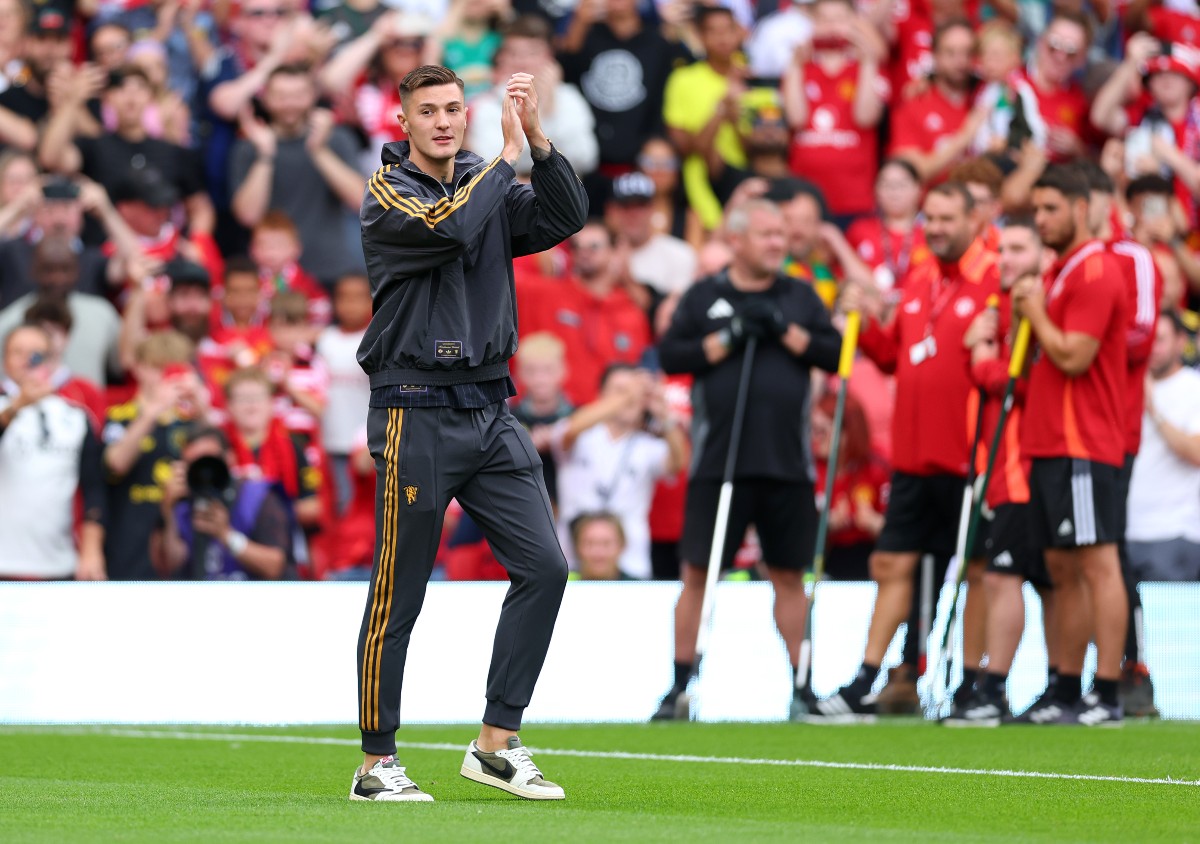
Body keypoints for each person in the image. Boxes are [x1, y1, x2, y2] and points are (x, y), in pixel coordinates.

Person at [351, 64, 587, 801]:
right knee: (402, 591)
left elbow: (563, 218)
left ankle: (495, 741)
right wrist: (507, 159)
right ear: (404, 124)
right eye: (429, 111)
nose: (445, 121)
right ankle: (374, 764)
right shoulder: (390, 194)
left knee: (545, 566)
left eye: (455, 108)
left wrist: (540, 143)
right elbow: (449, 226)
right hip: (413, 409)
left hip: (489, 408)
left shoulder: (489, 184)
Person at [810, 182, 1000, 720]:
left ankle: (974, 683)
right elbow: (896, 355)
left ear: (975, 217)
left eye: (946, 218)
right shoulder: (919, 278)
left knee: (975, 571)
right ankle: (868, 678)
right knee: (891, 561)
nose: (935, 228)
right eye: (929, 219)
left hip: (969, 459)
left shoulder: (993, 280)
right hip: (914, 458)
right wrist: (863, 323)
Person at [654, 198, 842, 721]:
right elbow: (672, 356)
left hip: (787, 463)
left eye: (781, 234)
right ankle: (678, 687)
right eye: (766, 234)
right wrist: (730, 336)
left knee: (788, 575)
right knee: (699, 574)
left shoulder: (800, 296)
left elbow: (833, 353)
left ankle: (803, 687)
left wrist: (784, 329)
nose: (777, 244)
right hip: (719, 464)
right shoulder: (705, 296)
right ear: (736, 240)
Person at [1011, 164, 1129, 726]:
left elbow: (1074, 356)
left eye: (1051, 209)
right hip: (1050, 439)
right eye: (1037, 210)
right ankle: (1063, 686)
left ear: (1082, 209)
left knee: (1097, 562)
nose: (1041, 219)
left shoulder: (1097, 270)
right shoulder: (1059, 270)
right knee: (1060, 565)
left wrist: (1032, 311)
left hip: (1084, 440)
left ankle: (1105, 691)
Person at [946, 215, 1053, 726]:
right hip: (996, 464)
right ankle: (1018, 686)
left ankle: (994, 688)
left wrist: (982, 357)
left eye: (1017, 248)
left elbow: (1029, 384)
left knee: (1005, 577)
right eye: (1001, 249)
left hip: (1018, 464)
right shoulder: (1005, 307)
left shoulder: (1035, 305)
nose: (1005, 259)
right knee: (1014, 578)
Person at [230, 64, 366, 286]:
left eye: (298, 95)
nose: (289, 104)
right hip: (273, 276)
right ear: (265, 98)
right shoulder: (249, 147)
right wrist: (265, 156)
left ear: (313, 95)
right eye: (280, 96)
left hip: (332, 270)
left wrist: (319, 150)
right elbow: (248, 216)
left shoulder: (337, 138)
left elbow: (362, 202)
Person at [551, 363, 687, 579]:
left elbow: (678, 463)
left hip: (632, 562)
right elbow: (570, 431)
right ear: (601, 394)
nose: (631, 398)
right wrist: (628, 397)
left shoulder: (648, 444)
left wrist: (664, 415)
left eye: (636, 393)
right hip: (570, 560)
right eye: (620, 390)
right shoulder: (581, 432)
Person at [0, 323, 106, 581]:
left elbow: (94, 488)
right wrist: (16, 408)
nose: (28, 360)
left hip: (59, 566)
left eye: (36, 353)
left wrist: (91, 549)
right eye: (18, 352)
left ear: (51, 360)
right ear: (5, 360)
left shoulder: (76, 416)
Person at [517, 218, 653, 406]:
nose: (584, 252)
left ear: (615, 252)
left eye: (594, 246)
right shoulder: (545, 293)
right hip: (550, 416)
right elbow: (497, 272)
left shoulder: (631, 311)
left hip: (605, 422)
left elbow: (637, 374)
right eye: (577, 246)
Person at [154, 425, 294, 581]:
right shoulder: (182, 504)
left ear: (229, 457)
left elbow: (274, 566)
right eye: (195, 464)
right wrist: (168, 510)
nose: (204, 471)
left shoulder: (258, 496)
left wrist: (225, 534)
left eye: (210, 461)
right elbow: (169, 566)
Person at [1128, 311, 1200, 582]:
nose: (1152, 349)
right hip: (1126, 532)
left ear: (1181, 341)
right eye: (1146, 340)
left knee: (1168, 624)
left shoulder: (1194, 388)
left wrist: (1154, 411)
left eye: (1159, 340)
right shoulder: (1129, 386)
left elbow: (1196, 453)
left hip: (1175, 534)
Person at [0, 235, 123, 388]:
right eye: (48, 270)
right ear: (34, 270)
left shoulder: (102, 313)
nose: (57, 278)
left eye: (65, 269)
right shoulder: (8, 320)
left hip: (90, 406)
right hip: (25, 408)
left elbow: (123, 366)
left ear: (77, 270)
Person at [316, 274, 373, 515]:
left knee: (370, 505)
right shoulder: (325, 340)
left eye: (359, 298)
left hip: (368, 443)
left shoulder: (377, 340)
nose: (351, 305)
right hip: (333, 440)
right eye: (344, 298)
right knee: (342, 505)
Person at [570, 511, 631, 581]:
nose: (598, 552)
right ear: (577, 546)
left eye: (606, 544)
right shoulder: (564, 585)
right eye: (590, 543)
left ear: (622, 545)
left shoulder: (638, 587)